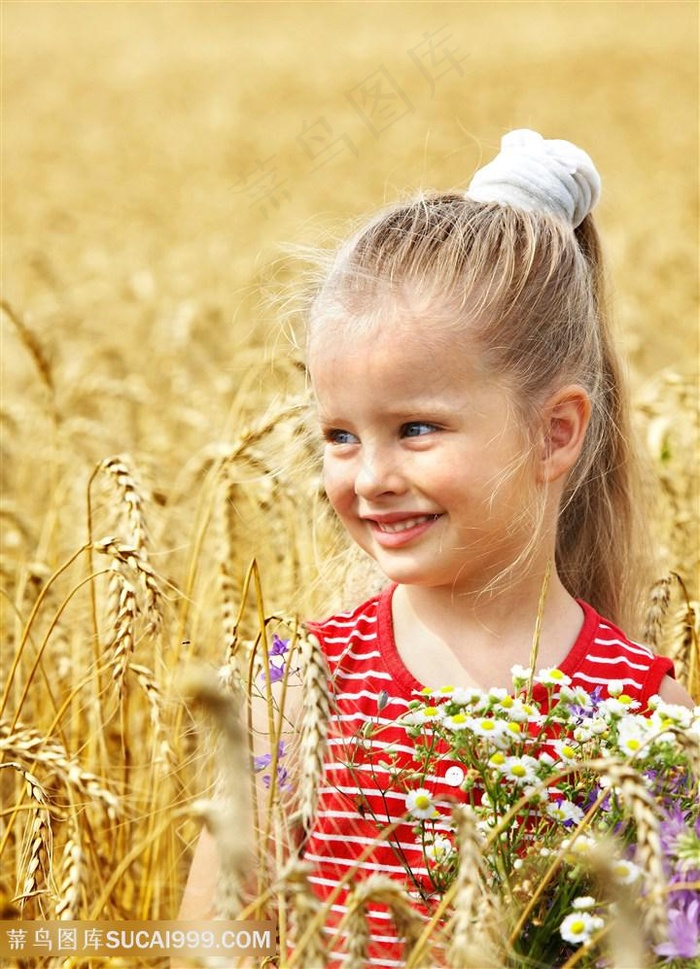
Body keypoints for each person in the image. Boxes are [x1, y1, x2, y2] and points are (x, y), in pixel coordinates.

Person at [178, 129, 694, 965]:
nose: (370, 476)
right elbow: (213, 941)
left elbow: (675, 943)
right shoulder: (305, 691)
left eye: (415, 428)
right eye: (340, 435)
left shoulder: (646, 717)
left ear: (554, 432)